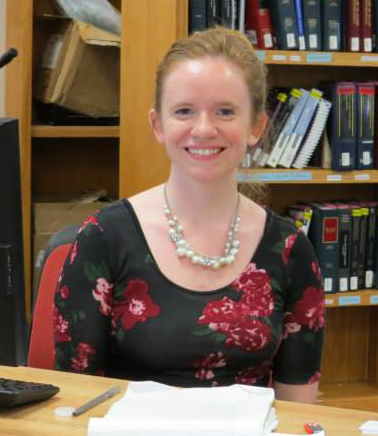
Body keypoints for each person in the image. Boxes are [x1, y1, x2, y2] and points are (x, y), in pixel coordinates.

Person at [53, 27, 325, 403]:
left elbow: (298, 408)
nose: (203, 129)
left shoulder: (290, 248)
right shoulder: (102, 237)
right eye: (184, 111)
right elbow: (75, 400)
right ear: (158, 125)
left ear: (256, 127)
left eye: (225, 111)